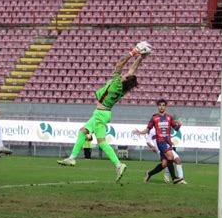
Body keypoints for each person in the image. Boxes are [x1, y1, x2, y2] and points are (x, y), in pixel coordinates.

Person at [57, 42, 151, 182]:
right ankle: (73, 158)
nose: (125, 74)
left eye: (126, 76)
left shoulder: (116, 83)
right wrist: (141, 58)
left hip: (100, 114)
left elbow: (119, 64)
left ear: (125, 80)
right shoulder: (123, 87)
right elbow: (132, 70)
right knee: (83, 131)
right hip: (103, 113)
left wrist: (132, 53)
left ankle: (117, 164)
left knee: (100, 141)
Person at [133, 99, 184, 184]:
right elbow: (148, 129)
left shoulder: (169, 117)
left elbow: (175, 128)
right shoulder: (154, 118)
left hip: (168, 143)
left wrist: (179, 125)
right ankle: (174, 178)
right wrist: (140, 132)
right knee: (171, 157)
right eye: (160, 105)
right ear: (158, 106)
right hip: (161, 142)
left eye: (163, 105)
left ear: (165, 107)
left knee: (164, 164)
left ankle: (149, 174)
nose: (161, 107)